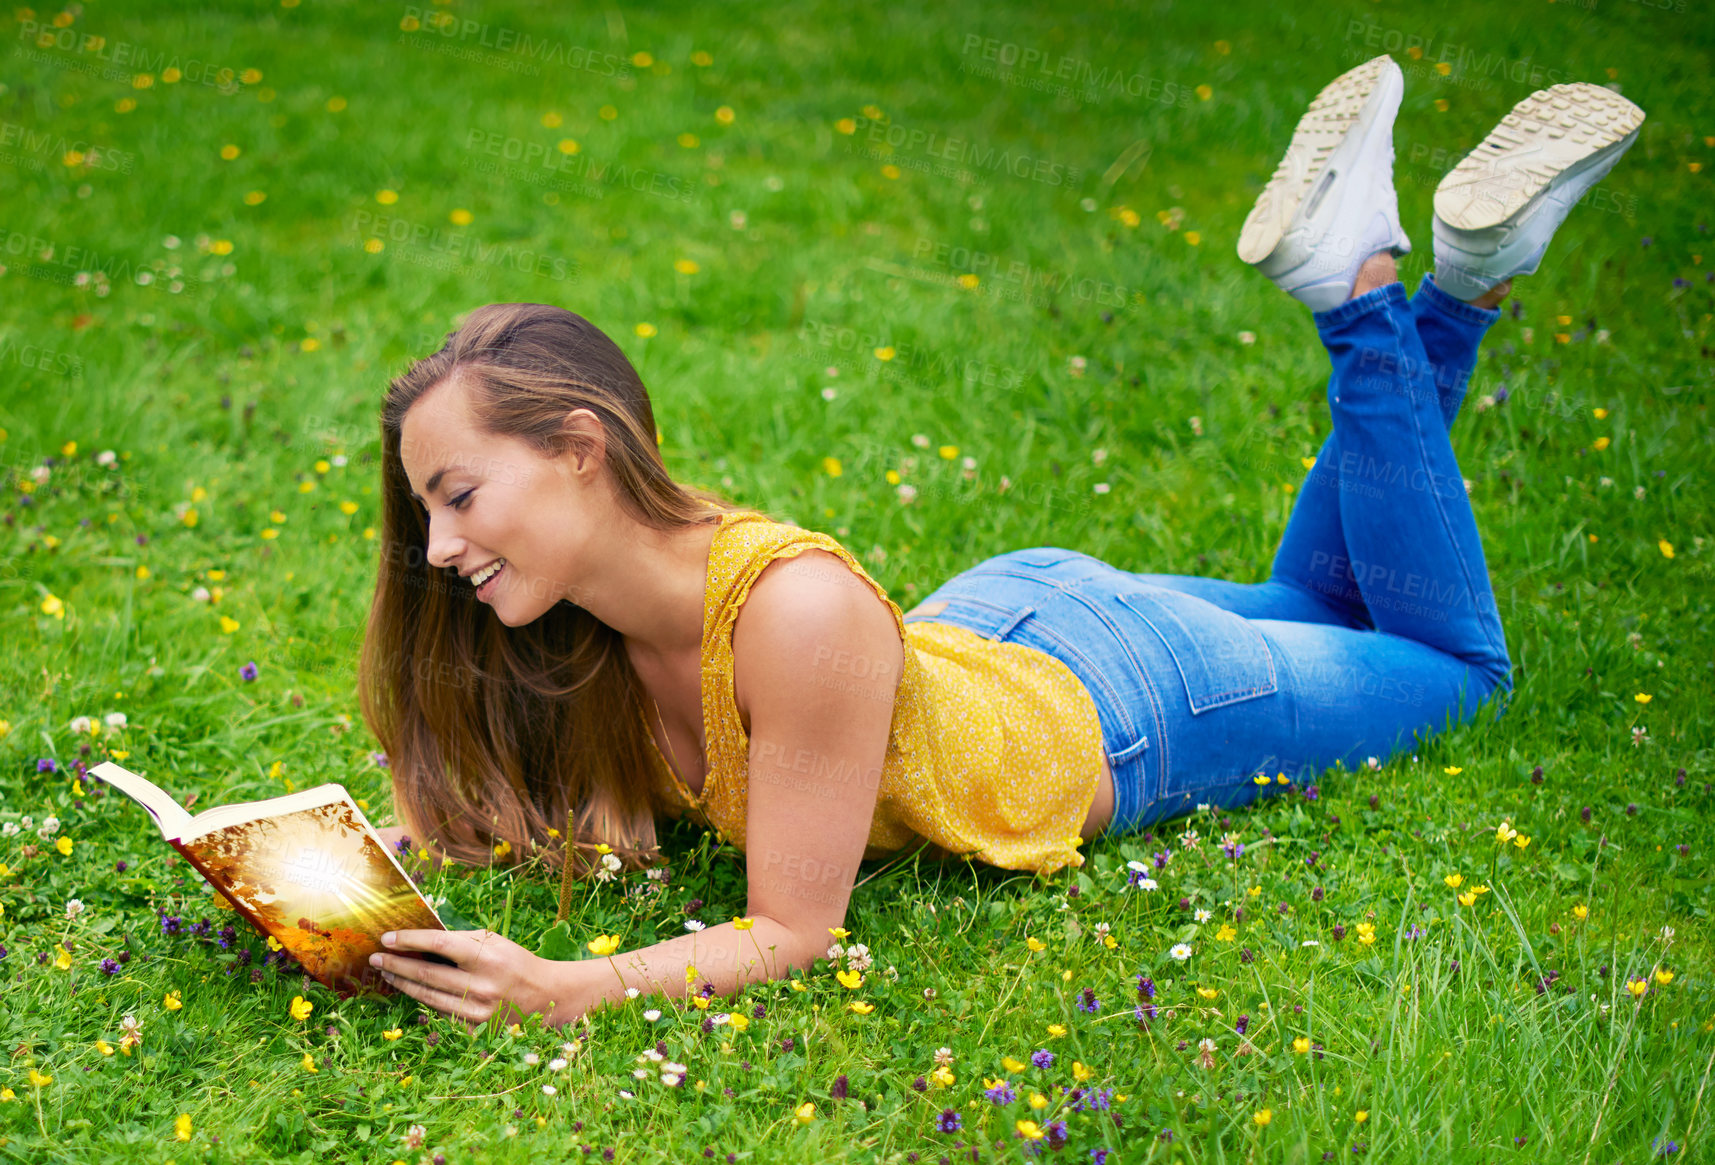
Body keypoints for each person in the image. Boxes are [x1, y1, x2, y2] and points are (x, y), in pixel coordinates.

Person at [359, 55, 1644, 1031]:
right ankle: (1470, 266)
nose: (435, 546)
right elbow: (606, 803)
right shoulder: (577, 622)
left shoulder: (789, 611)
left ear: (583, 447)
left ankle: (1366, 293)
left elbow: (792, 929)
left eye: (459, 495)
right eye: (425, 508)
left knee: (1448, 664)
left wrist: (563, 988)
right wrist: (400, 853)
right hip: (999, 628)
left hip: (1135, 702)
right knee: (1304, 599)